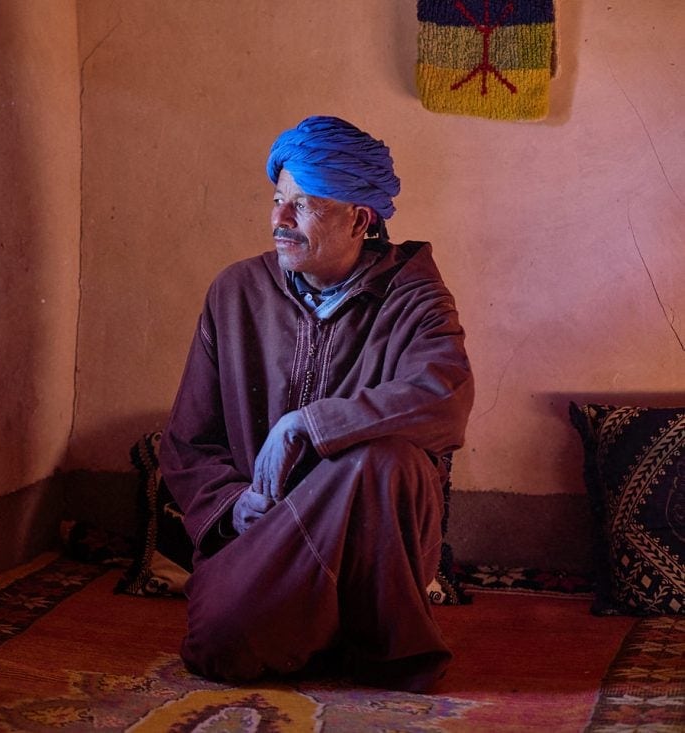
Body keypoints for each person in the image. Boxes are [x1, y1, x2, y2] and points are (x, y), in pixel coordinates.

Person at [158, 115, 474, 693]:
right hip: (264, 533)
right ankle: (328, 633)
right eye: (278, 199)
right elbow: (188, 441)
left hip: (376, 544)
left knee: (381, 462)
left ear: (360, 218)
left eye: (304, 205)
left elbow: (443, 398)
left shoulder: (415, 295)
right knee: (219, 647)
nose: (279, 220)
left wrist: (308, 425)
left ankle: (367, 641)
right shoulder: (236, 293)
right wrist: (235, 505)